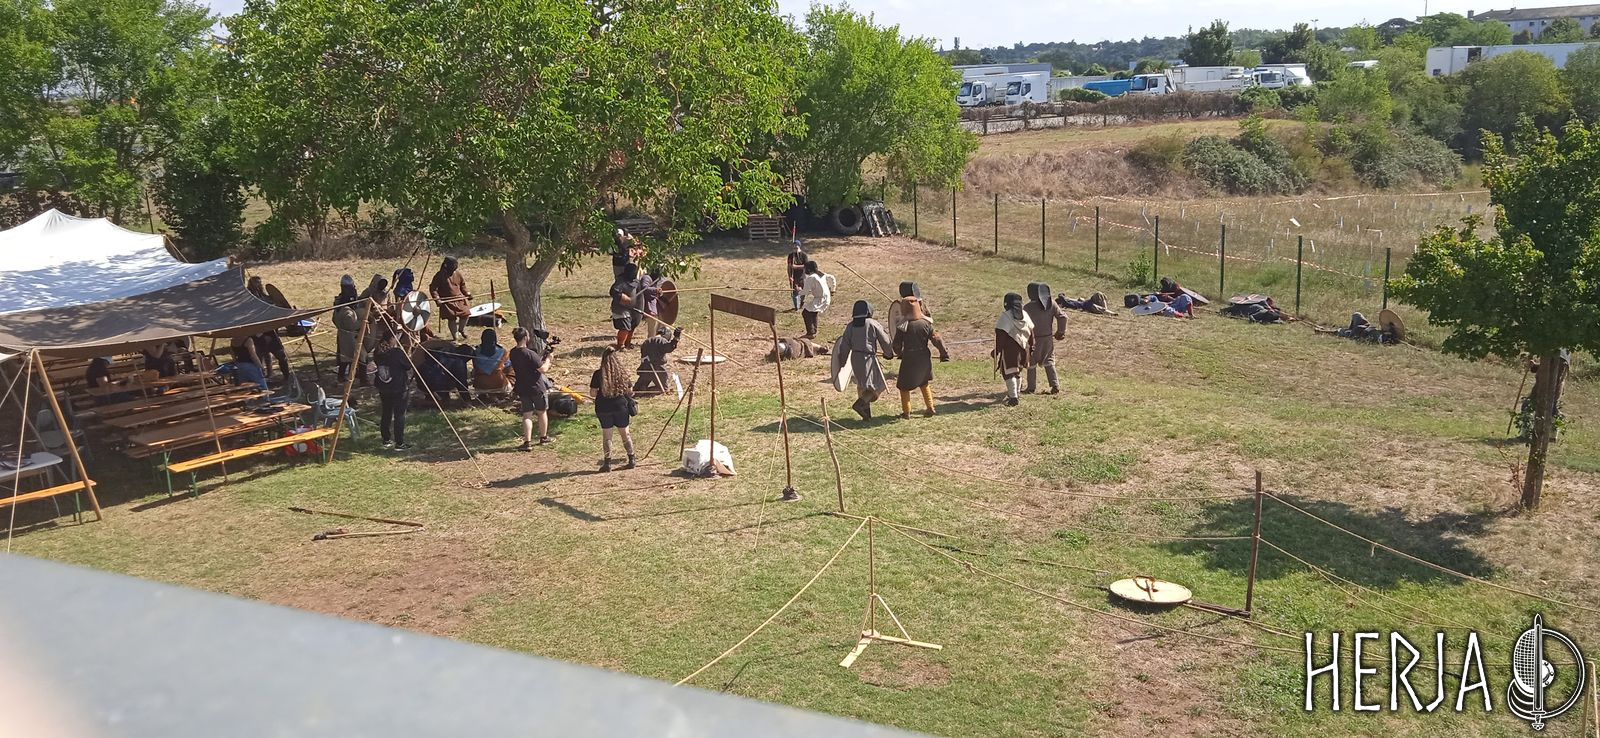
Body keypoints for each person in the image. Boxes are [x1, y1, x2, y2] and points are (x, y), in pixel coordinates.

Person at [831, 300, 895, 420]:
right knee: (877, 386)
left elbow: (844, 346)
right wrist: (889, 353)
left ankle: (866, 416)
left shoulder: (850, 326)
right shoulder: (872, 323)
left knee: (862, 386)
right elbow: (885, 340)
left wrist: (842, 361)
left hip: (855, 358)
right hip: (868, 359)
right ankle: (859, 405)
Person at [891, 290, 948, 419]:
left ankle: (906, 412)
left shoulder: (903, 326)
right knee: (924, 382)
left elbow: (897, 345)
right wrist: (943, 353)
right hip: (924, 357)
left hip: (909, 358)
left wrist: (899, 353)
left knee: (904, 386)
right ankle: (930, 407)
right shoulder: (926, 324)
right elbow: (937, 339)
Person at [590, 348, 636, 471]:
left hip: (603, 407)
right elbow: (630, 391)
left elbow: (593, 393)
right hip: (620, 406)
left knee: (607, 436)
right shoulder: (622, 373)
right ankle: (631, 458)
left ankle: (607, 463)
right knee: (625, 434)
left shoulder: (598, 374)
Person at [508, 327, 553, 450]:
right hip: (537, 388)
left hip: (522, 387)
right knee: (541, 412)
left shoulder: (513, 352)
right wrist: (548, 360)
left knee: (527, 415)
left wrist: (542, 355)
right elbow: (543, 369)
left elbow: (532, 362)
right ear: (525, 338)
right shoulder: (530, 353)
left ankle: (527, 442)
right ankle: (543, 437)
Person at [1023, 282, 1068, 395]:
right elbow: (1062, 317)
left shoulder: (1027, 308)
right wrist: (1060, 332)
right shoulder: (1052, 304)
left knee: (1031, 362)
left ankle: (1031, 387)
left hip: (1032, 340)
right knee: (1049, 361)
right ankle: (1055, 385)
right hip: (1047, 338)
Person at [372, 330, 414, 450]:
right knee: (399, 415)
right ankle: (399, 443)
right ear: (391, 338)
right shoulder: (396, 352)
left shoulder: (378, 351)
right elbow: (407, 366)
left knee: (386, 412)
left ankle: (386, 439)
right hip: (398, 386)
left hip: (384, 386)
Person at [993, 292, 1034, 407]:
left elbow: (1001, 335)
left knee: (1009, 373)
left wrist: (997, 350)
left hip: (1010, 350)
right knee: (1017, 371)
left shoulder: (1005, 317)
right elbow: (1032, 333)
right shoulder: (1025, 315)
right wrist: (1032, 347)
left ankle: (1013, 397)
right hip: (1024, 348)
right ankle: (1017, 393)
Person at [430, 257, 472, 342]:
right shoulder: (439, 275)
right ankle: (455, 337)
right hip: (447, 300)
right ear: (446, 265)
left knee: (466, 313)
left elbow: (462, 285)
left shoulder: (457, 273)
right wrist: (437, 299)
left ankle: (461, 329)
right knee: (451, 318)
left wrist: (467, 293)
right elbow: (433, 288)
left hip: (459, 298)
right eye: (453, 265)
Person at [634, 326, 682, 394]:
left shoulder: (647, 341)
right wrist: (676, 338)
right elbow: (669, 348)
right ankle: (648, 391)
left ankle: (642, 389)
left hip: (645, 367)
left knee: (638, 388)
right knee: (663, 388)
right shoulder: (661, 340)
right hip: (658, 369)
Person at [471, 329, 511, 398]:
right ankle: (502, 393)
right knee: (511, 368)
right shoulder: (503, 352)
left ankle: (485, 394)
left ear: (482, 339)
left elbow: (475, 366)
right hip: (498, 384)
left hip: (480, 386)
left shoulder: (475, 352)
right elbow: (507, 366)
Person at [800, 260, 836, 339]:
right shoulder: (821, 274)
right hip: (826, 297)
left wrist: (798, 291)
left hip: (820, 298)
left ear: (808, 269)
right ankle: (813, 331)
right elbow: (832, 277)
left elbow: (805, 292)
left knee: (806, 313)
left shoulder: (811, 277)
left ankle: (810, 333)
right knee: (813, 312)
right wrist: (833, 289)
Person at [610, 263, 642, 350]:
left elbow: (641, 294)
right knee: (625, 328)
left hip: (632, 309)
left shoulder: (636, 282)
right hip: (621, 309)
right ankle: (620, 345)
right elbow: (613, 292)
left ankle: (627, 343)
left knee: (631, 326)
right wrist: (623, 297)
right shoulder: (621, 281)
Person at [637, 266, 665, 338]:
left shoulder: (655, 280)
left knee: (661, 321)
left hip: (654, 304)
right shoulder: (646, 278)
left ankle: (657, 338)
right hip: (647, 304)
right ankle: (651, 340)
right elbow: (644, 288)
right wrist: (655, 290)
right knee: (652, 322)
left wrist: (658, 292)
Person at [786, 240, 808, 312]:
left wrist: (796, 266)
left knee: (803, 291)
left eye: (796, 246)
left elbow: (806, 266)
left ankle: (801, 302)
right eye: (794, 246)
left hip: (802, 276)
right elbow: (789, 267)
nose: (795, 247)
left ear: (799, 246)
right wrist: (790, 276)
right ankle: (796, 307)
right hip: (794, 276)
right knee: (795, 291)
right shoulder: (791, 256)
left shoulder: (804, 255)